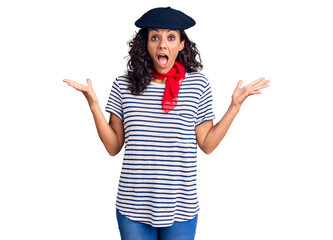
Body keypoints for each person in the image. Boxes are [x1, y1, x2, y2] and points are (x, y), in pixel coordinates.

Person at [63, 6, 270, 240]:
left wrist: (234, 107)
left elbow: (207, 144)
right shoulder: (123, 85)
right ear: (146, 44)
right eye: (155, 37)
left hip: (181, 207)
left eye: (171, 37)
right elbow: (113, 147)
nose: (163, 44)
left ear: (181, 44)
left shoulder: (197, 85)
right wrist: (93, 106)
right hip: (133, 207)